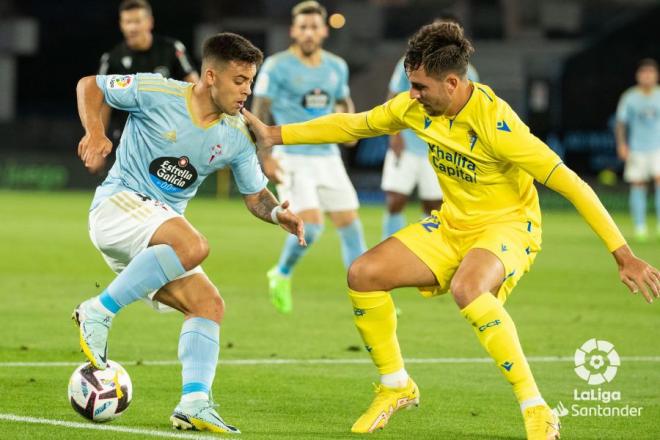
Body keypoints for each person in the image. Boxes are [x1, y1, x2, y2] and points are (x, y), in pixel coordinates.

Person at [243, 22, 660, 439]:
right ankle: (396, 386)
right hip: (452, 223)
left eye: (421, 87)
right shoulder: (416, 106)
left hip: (509, 226)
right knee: (363, 273)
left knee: (469, 288)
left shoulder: (499, 125)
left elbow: (573, 184)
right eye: (412, 85)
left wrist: (622, 254)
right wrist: (275, 134)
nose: (413, 95)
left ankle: (537, 407)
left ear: (453, 82)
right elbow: (354, 125)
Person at [74, 32, 305, 434]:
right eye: (239, 80)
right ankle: (97, 312)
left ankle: (194, 403)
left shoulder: (235, 133)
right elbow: (90, 85)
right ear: (211, 76)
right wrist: (95, 132)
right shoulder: (157, 91)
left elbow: (255, 196)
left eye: (251, 81)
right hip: (118, 207)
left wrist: (277, 215)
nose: (247, 91)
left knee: (208, 304)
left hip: (152, 242)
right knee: (194, 244)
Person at [251, 1, 366, 314]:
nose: (308, 32)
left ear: (324, 31)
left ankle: (367, 296)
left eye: (314, 27)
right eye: (302, 27)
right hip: (292, 155)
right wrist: (266, 157)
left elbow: (343, 101)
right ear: (293, 30)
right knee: (312, 227)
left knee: (351, 226)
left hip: (328, 155)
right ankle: (281, 273)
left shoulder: (336, 66)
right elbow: (260, 110)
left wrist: (351, 124)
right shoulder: (276, 66)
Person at [382, 18, 479, 239]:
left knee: (433, 205)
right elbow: (393, 97)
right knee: (395, 199)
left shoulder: (468, 72)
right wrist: (394, 135)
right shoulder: (409, 63)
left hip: (439, 148)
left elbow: (470, 112)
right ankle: (389, 249)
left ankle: (426, 252)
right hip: (407, 144)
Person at [99, 0, 199, 145]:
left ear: (149, 22)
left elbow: (195, 88)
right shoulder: (112, 59)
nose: (132, 27)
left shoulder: (171, 49)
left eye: (137, 21)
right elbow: (103, 103)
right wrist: (97, 139)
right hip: (128, 141)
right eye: (127, 22)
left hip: (169, 138)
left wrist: (198, 129)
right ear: (121, 24)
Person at [615, 58, 660, 242]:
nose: (647, 76)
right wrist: (621, 144)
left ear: (656, 76)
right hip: (637, 148)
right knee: (637, 184)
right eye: (644, 73)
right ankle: (640, 226)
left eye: (651, 73)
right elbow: (620, 123)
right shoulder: (630, 96)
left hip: (658, 147)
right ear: (638, 76)